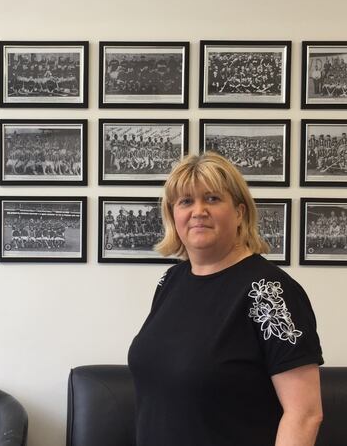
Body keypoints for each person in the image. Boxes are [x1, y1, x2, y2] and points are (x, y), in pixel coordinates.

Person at [128, 152, 324, 446]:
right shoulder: (171, 280)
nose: (198, 211)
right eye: (186, 201)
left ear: (240, 212)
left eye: (212, 199)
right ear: (172, 215)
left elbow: (305, 414)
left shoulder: (270, 291)